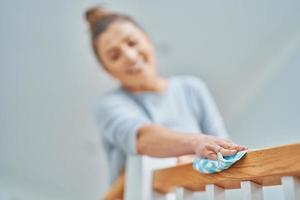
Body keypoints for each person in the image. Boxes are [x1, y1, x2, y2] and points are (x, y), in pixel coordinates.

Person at [85, 6, 247, 184]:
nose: (130, 57)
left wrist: (200, 155)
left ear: (147, 40)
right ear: (107, 70)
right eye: (115, 56)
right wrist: (195, 144)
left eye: (132, 43)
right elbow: (141, 138)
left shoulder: (192, 88)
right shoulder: (110, 105)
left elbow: (222, 147)